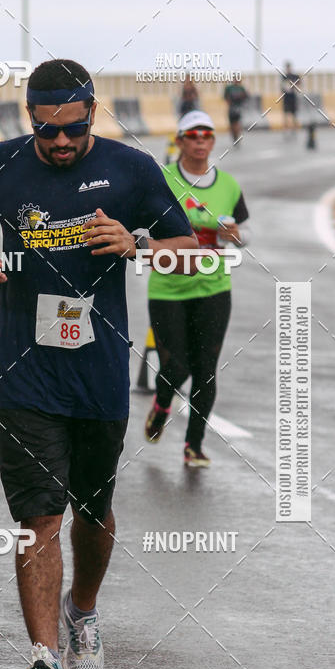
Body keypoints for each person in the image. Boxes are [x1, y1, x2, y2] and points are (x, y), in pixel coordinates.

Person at [0, 59, 198, 669]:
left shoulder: (132, 170)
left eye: (72, 128)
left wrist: (137, 243)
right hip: (23, 370)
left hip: (98, 372)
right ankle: (41, 657)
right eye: (45, 129)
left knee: (92, 511)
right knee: (38, 512)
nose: (59, 142)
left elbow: (190, 247)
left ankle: (82, 611)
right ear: (28, 117)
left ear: (92, 112)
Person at [145, 110, 249, 467]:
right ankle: (161, 404)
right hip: (168, 288)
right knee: (176, 367)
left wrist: (235, 237)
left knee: (205, 369)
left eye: (206, 134)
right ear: (180, 140)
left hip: (214, 288)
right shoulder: (161, 181)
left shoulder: (229, 186)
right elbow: (143, 227)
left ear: (213, 141)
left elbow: (241, 235)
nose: (200, 140)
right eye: (193, 135)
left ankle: (194, 445)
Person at [223, 77, 249, 143]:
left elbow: (245, 97)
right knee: (233, 124)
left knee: (236, 123)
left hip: (236, 108)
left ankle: (236, 136)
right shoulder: (231, 88)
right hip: (233, 108)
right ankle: (235, 136)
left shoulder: (241, 88)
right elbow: (226, 97)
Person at [281, 62, 301, 130]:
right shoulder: (284, 76)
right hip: (286, 95)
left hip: (293, 95)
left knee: (294, 111)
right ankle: (286, 124)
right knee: (286, 110)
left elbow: (299, 84)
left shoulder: (295, 76)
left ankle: (294, 124)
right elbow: (282, 86)